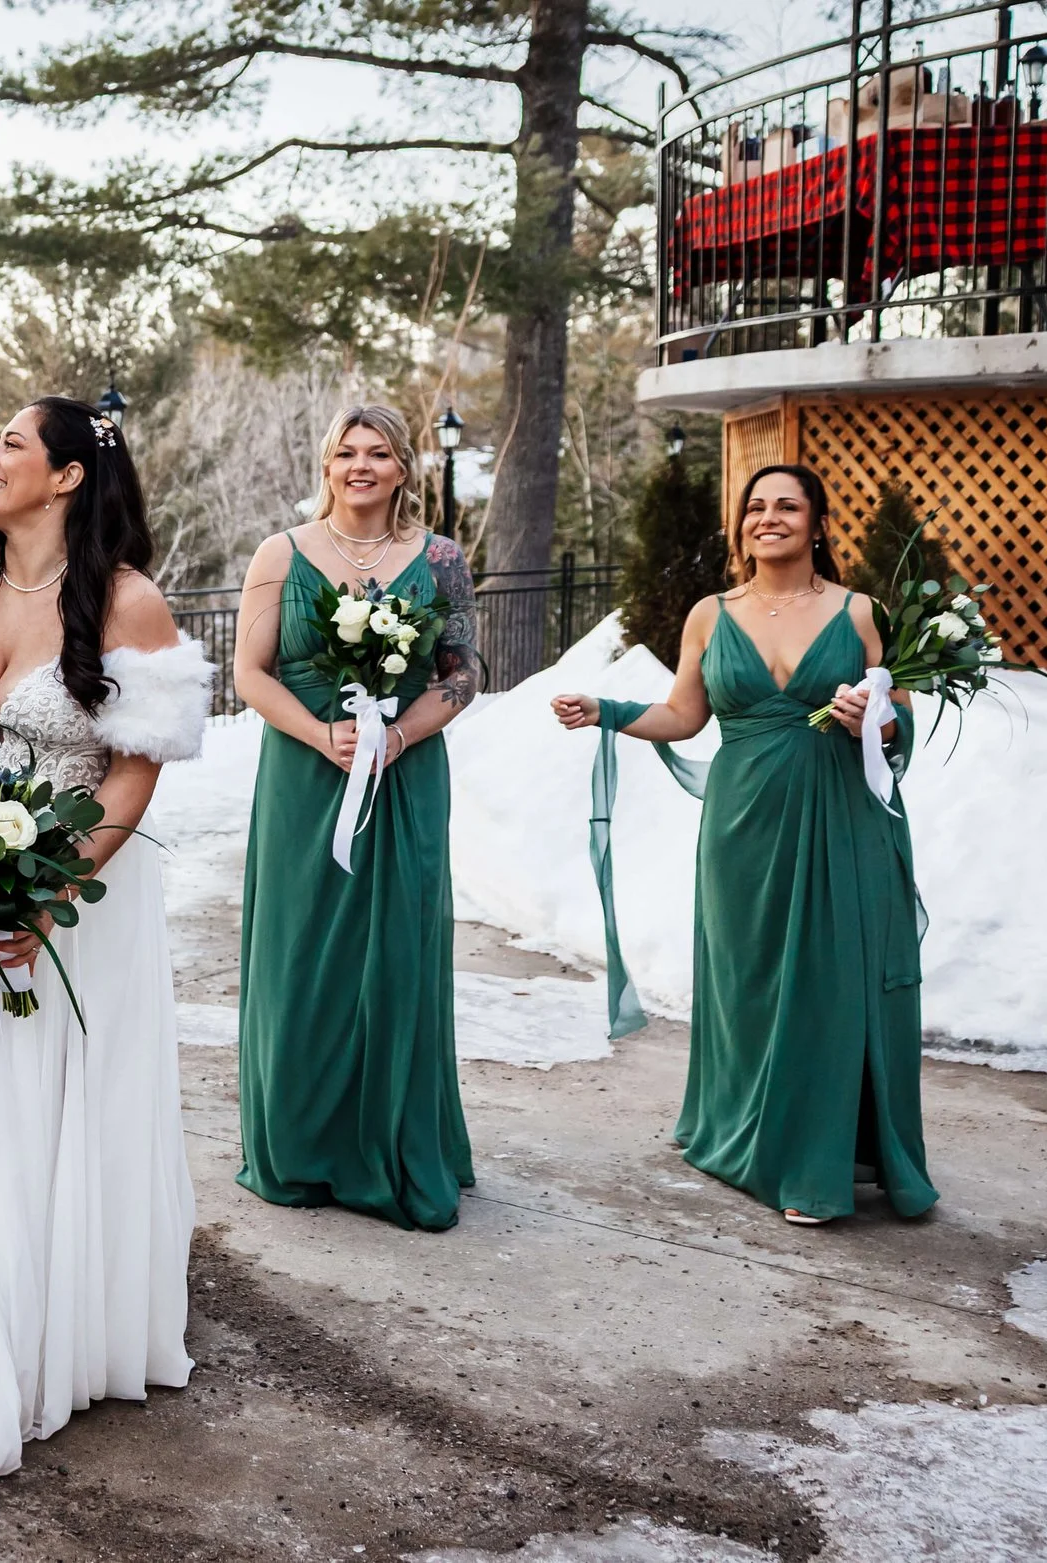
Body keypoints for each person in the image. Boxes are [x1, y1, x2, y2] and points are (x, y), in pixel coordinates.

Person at [0, 396, 210, 1503]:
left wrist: (52, 891)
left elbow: (132, 773)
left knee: (51, 1109)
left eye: (12, 444)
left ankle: (56, 1334)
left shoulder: (126, 602)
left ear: (67, 475)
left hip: (80, 904)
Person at [552, 464, 936, 1226]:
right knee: (749, 983)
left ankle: (814, 1164)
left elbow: (901, 722)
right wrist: (607, 709)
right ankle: (746, 1130)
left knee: (831, 983)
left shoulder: (861, 612)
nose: (769, 517)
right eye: (756, 507)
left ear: (817, 524)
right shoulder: (710, 614)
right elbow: (684, 715)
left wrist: (877, 721)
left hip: (840, 817)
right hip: (742, 826)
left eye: (787, 506)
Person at [229, 405, 482, 1232]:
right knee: (302, 951)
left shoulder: (441, 559)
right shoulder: (281, 553)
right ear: (327, 465)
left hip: (405, 775)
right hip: (306, 775)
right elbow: (250, 673)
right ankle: (301, 1145)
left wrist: (397, 737)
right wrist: (322, 736)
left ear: (404, 467)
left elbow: (463, 673)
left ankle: (395, 1141)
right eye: (347, 452)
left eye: (378, 452)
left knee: (399, 950)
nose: (361, 465)